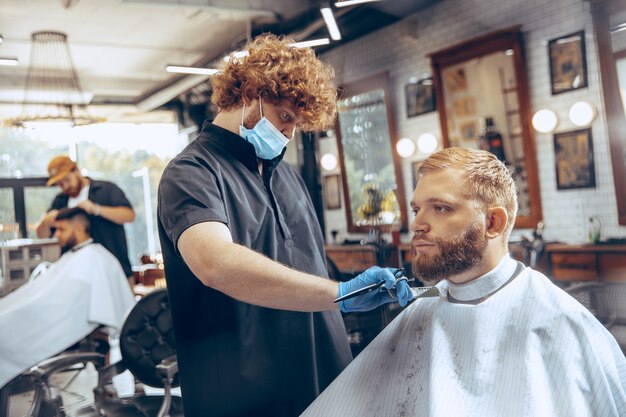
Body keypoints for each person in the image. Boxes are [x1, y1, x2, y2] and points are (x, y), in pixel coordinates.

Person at [157, 33, 411, 417]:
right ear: (248, 94)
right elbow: (216, 264)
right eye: (286, 117)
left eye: (298, 124)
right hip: (242, 388)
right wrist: (341, 292)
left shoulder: (287, 176)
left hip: (320, 373)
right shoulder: (191, 173)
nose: (290, 133)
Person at [301, 147, 626, 417]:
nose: (416, 224)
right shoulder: (428, 297)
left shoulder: (561, 320)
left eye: (440, 208)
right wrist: (344, 294)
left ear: (493, 222)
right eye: (416, 209)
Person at [0, 207, 135, 389]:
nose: (56, 235)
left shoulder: (95, 257)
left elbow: (99, 310)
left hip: (85, 332)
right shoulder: (76, 256)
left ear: (79, 228)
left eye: (61, 229)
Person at [36, 155, 136, 279]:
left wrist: (97, 209)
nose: (65, 186)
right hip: (78, 276)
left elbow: (129, 215)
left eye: (67, 180)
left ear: (76, 171)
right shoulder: (60, 201)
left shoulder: (106, 189)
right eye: (60, 184)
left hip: (117, 272)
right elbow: (42, 235)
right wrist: (45, 222)